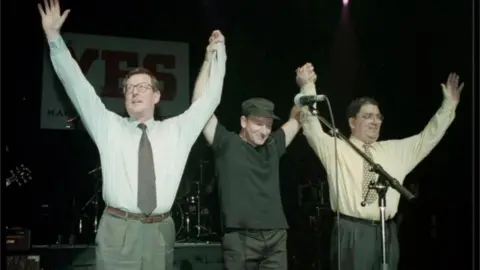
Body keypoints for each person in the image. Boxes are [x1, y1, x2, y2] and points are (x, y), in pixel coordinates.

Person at [37, 1, 227, 269]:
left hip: (161, 233)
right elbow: (76, 85)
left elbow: (211, 98)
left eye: (142, 86)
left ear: (157, 96)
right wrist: (54, 38)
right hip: (118, 232)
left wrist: (217, 54)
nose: (135, 91)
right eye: (129, 88)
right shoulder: (108, 126)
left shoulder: (177, 131)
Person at [296, 63, 463, 270]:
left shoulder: (394, 150)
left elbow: (427, 138)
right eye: (367, 116)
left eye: (378, 117)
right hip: (352, 232)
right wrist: (307, 87)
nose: (375, 122)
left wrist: (449, 106)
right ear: (352, 122)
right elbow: (311, 127)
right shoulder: (336, 147)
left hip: (387, 231)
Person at [191, 62, 311, 269]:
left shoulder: (273, 144)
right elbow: (199, 106)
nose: (264, 131)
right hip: (240, 237)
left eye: (268, 125)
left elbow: (296, 119)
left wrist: (305, 86)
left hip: (276, 236)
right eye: (258, 123)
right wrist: (211, 56)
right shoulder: (227, 143)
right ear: (243, 122)